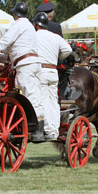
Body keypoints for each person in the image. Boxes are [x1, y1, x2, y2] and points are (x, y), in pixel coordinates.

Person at [0, 2, 44, 141]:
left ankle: (37, 130)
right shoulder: (29, 26)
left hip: (25, 64)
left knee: (30, 94)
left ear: (15, 14)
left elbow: (5, 41)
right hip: (32, 62)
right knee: (33, 94)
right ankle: (37, 127)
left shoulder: (18, 24)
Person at [32, 12, 72, 140]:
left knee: (42, 100)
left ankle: (45, 129)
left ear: (36, 25)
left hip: (40, 70)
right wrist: (58, 57)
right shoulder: (55, 37)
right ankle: (54, 130)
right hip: (53, 71)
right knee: (53, 101)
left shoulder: (33, 36)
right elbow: (68, 50)